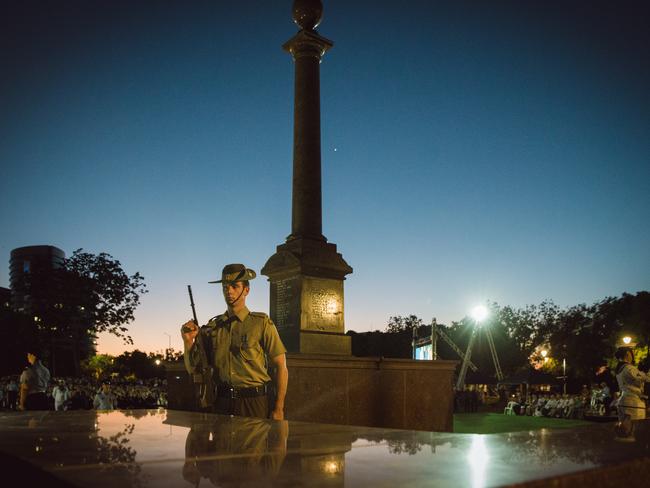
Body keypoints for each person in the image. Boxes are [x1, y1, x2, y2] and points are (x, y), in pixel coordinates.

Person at [182, 264, 288, 420]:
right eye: (225, 286)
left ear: (246, 290)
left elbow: (281, 366)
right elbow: (193, 368)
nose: (228, 290)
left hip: (254, 403)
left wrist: (279, 408)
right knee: (222, 445)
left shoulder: (261, 323)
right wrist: (188, 341)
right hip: (221, 403)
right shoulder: (213, 328)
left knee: (253, 445)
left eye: (234, 286)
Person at [613, 343, 650, 440]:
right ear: (627, 354)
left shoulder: (619, 369)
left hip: (623, 401)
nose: (632, 356)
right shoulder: (629, 368)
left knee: (624, 433)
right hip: (633, 402)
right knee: (631, 432)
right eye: (631, 353)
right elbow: (645, 379)